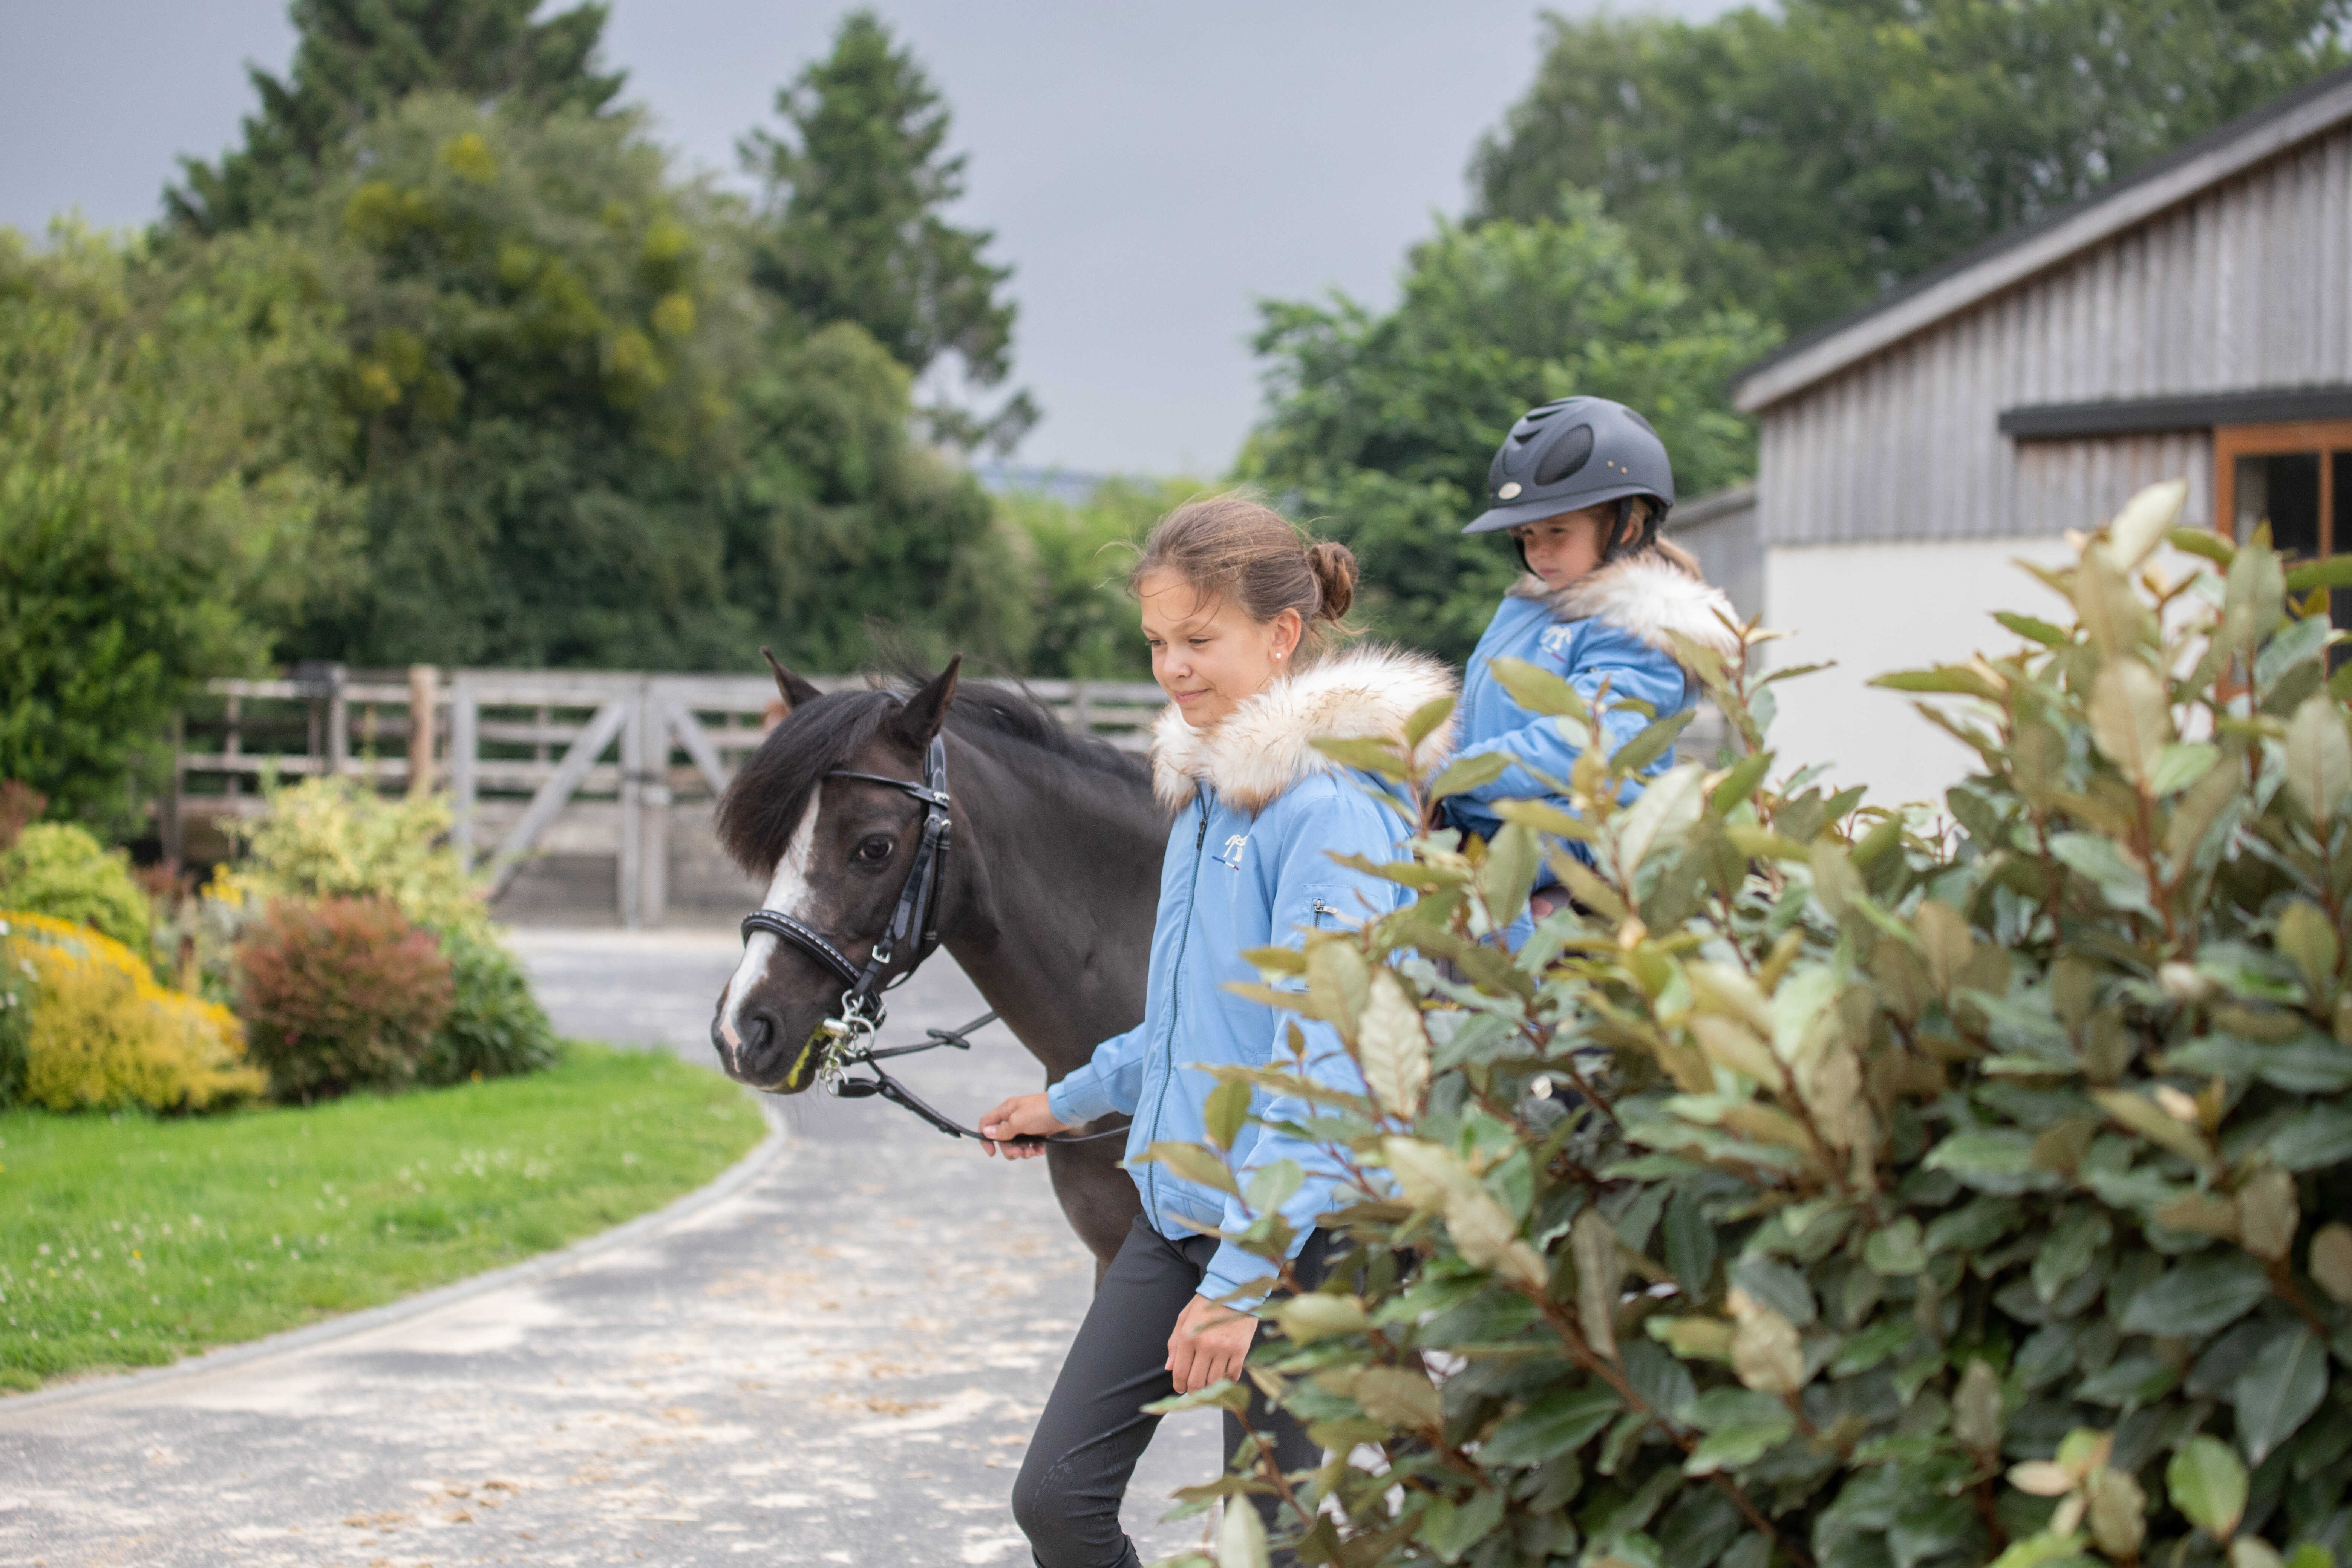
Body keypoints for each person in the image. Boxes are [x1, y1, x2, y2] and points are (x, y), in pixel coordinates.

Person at [977, 493, 1455, 1568]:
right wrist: (1072, 1099)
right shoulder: (1208, 788)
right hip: (1182, 1205)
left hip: (1298, 1236)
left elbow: (1321, 1061)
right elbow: (1200, 1018)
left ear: (1281, 636)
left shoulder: (1329, 807)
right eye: (1158, 643)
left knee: (1263, 1539)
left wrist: (1242, 1288)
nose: (1174, 668)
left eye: (1200, 639)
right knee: (1056, 1501)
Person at [1441, 396, 1740, 920]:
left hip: (1575, 856)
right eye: (1526, 535)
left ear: (1624, 528)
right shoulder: (1525, 609)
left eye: (1557, 531)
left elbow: (1590, 743)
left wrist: (1453, 774)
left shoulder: (1641, 631)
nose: (1539, 552)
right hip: (1484, 825)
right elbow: (1478, 710)